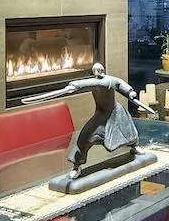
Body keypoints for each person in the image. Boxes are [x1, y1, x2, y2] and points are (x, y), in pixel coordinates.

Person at [22, 63, 158, 177]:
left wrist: (130, 92)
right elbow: (85, 83)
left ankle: (134, 146)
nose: (99, 72)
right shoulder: (95, 82)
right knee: (85, 137)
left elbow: (120, 84)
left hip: (115, 114)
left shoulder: (111, 80)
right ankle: (77, 165)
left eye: (100, 70)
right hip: (101, 115)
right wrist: (74, 86)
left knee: (128, 132)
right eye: (96, 71)